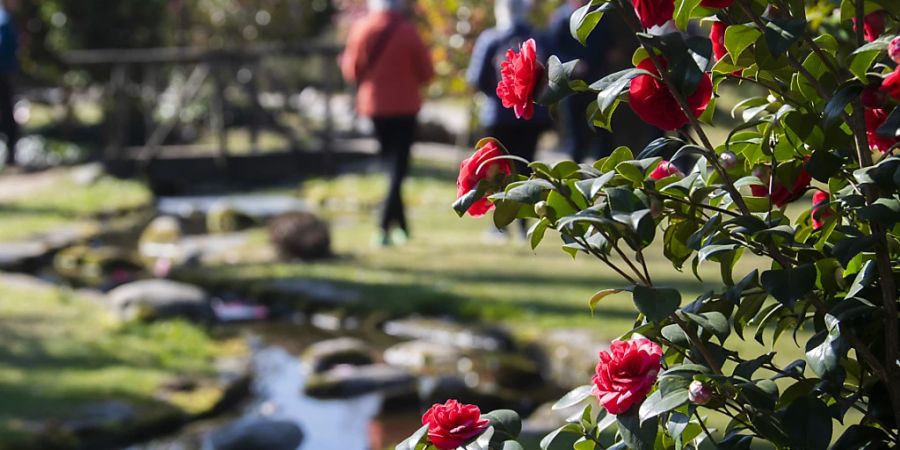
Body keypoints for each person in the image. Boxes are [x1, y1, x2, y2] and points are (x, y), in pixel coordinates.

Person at [341, 0, 434, 246]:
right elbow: (427, 71)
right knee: (398, 167)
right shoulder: (408, 31)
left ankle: (400, 227)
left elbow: (351, 71)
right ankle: (384, 226)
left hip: (375, 106)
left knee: (391, 166)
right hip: (405, 106)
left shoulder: (362, 29)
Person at [467, 0, 550, 238]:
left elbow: (477, 77)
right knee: (526, 168)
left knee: (497, 172)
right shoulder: (537, 37)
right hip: (531, 116)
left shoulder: (489, 38)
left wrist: (500, 97)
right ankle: (526, 224)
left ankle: (499, 226)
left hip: (497, 116)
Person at [547, 0, 615, 162]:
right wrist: (572, 64)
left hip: (598, 82)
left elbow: (607, 45)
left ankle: (604, 170)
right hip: (571, 86)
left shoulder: (598, 15)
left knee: (602, 131)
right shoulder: (561, 19)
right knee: (575, 134)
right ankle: (576, 171)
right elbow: (553, 52)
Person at [0, 0, 17, 168]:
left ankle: (10, 154)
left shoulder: (7, 18)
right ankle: (10, 154)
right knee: (7, 114)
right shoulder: (3, 19)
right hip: (3, 73)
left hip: (5, 72)